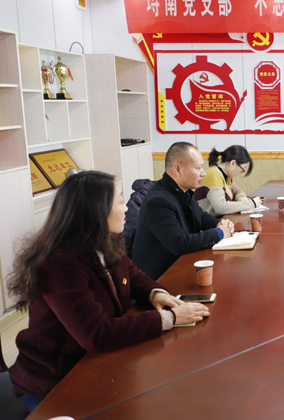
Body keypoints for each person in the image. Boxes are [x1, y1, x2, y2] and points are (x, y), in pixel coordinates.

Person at [6, 171, 210, 411]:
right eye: (120, 201)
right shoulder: (61, 264)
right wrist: (170, 318)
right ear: (96, 211)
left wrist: (156, 293)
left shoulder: (104, 242)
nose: (127, 209)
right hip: (56, 380)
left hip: (97, 363)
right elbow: (96, 334)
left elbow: (133, 275)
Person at [132, 142, 234, 280]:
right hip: (159, 281)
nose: (203, 173)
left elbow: (200, 216)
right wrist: (220, 233)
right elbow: (179, 243)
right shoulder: (158, 200)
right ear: (177, 169)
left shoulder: (182, 191)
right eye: (198, 168)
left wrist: (221, 224)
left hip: (181, 268)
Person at [195, 145, 260, 217]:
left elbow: (236, 190)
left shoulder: (226, 175)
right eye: (242, 168)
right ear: (233, 163)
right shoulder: (214, 174)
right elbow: (221, 207)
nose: (241, 172)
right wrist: (251, 203)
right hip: (207, 222)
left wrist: (241, 197)